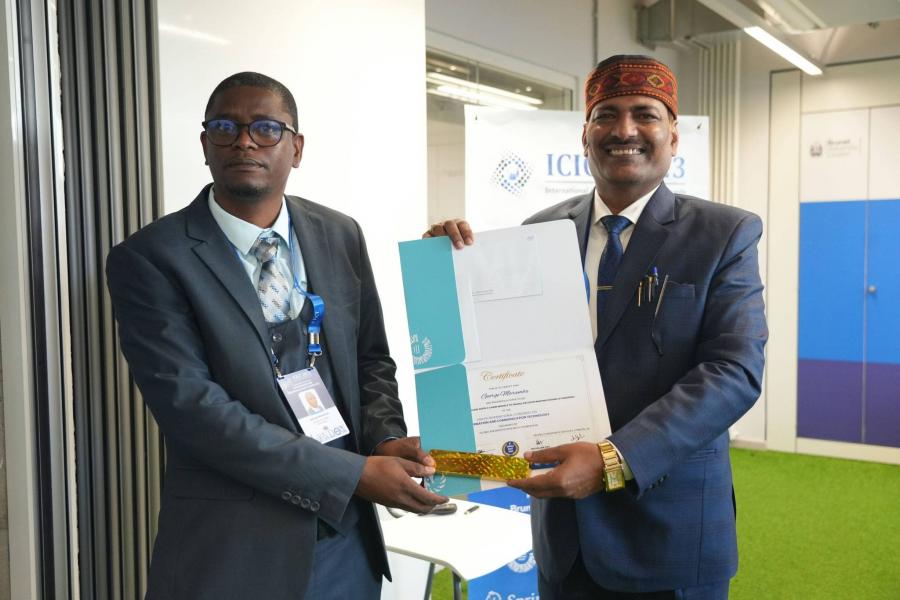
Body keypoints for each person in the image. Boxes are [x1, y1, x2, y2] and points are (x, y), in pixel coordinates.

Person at [426, 55, 767, 599]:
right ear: (585, 135)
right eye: (606, 114)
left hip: (669, 534)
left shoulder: (724, 234)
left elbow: (734, 372)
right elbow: (504, 352)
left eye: (645, 114)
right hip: (565, 540)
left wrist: (615, 459)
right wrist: (446, 274)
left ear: (673, 136)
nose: (624, 130)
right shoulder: (539, 232)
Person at [107, 72, 447, 600]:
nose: (245, 141)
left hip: (345, 543)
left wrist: (383, 438)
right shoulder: (152, 257)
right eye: (225, 128)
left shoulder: (339, 234)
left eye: (266, 128)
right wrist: (352, 474)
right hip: (233, 553)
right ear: (205, 145)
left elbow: (370, 360)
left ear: (297, 147)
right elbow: (195, 411)